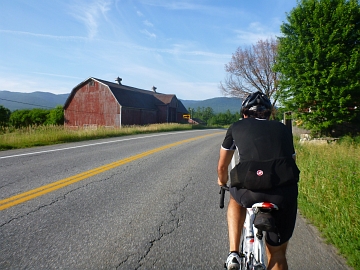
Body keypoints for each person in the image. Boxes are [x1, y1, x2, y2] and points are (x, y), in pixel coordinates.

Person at [217, 91, 300, 270]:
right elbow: (291, 162)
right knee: (277, 254)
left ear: (245, 114)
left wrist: (222, 182)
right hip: (283, 194)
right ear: (269, 114)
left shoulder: (236, 127)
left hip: (249, 191)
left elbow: (223, 167)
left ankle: (233, 253)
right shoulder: (283, 129)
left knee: (235, 198)